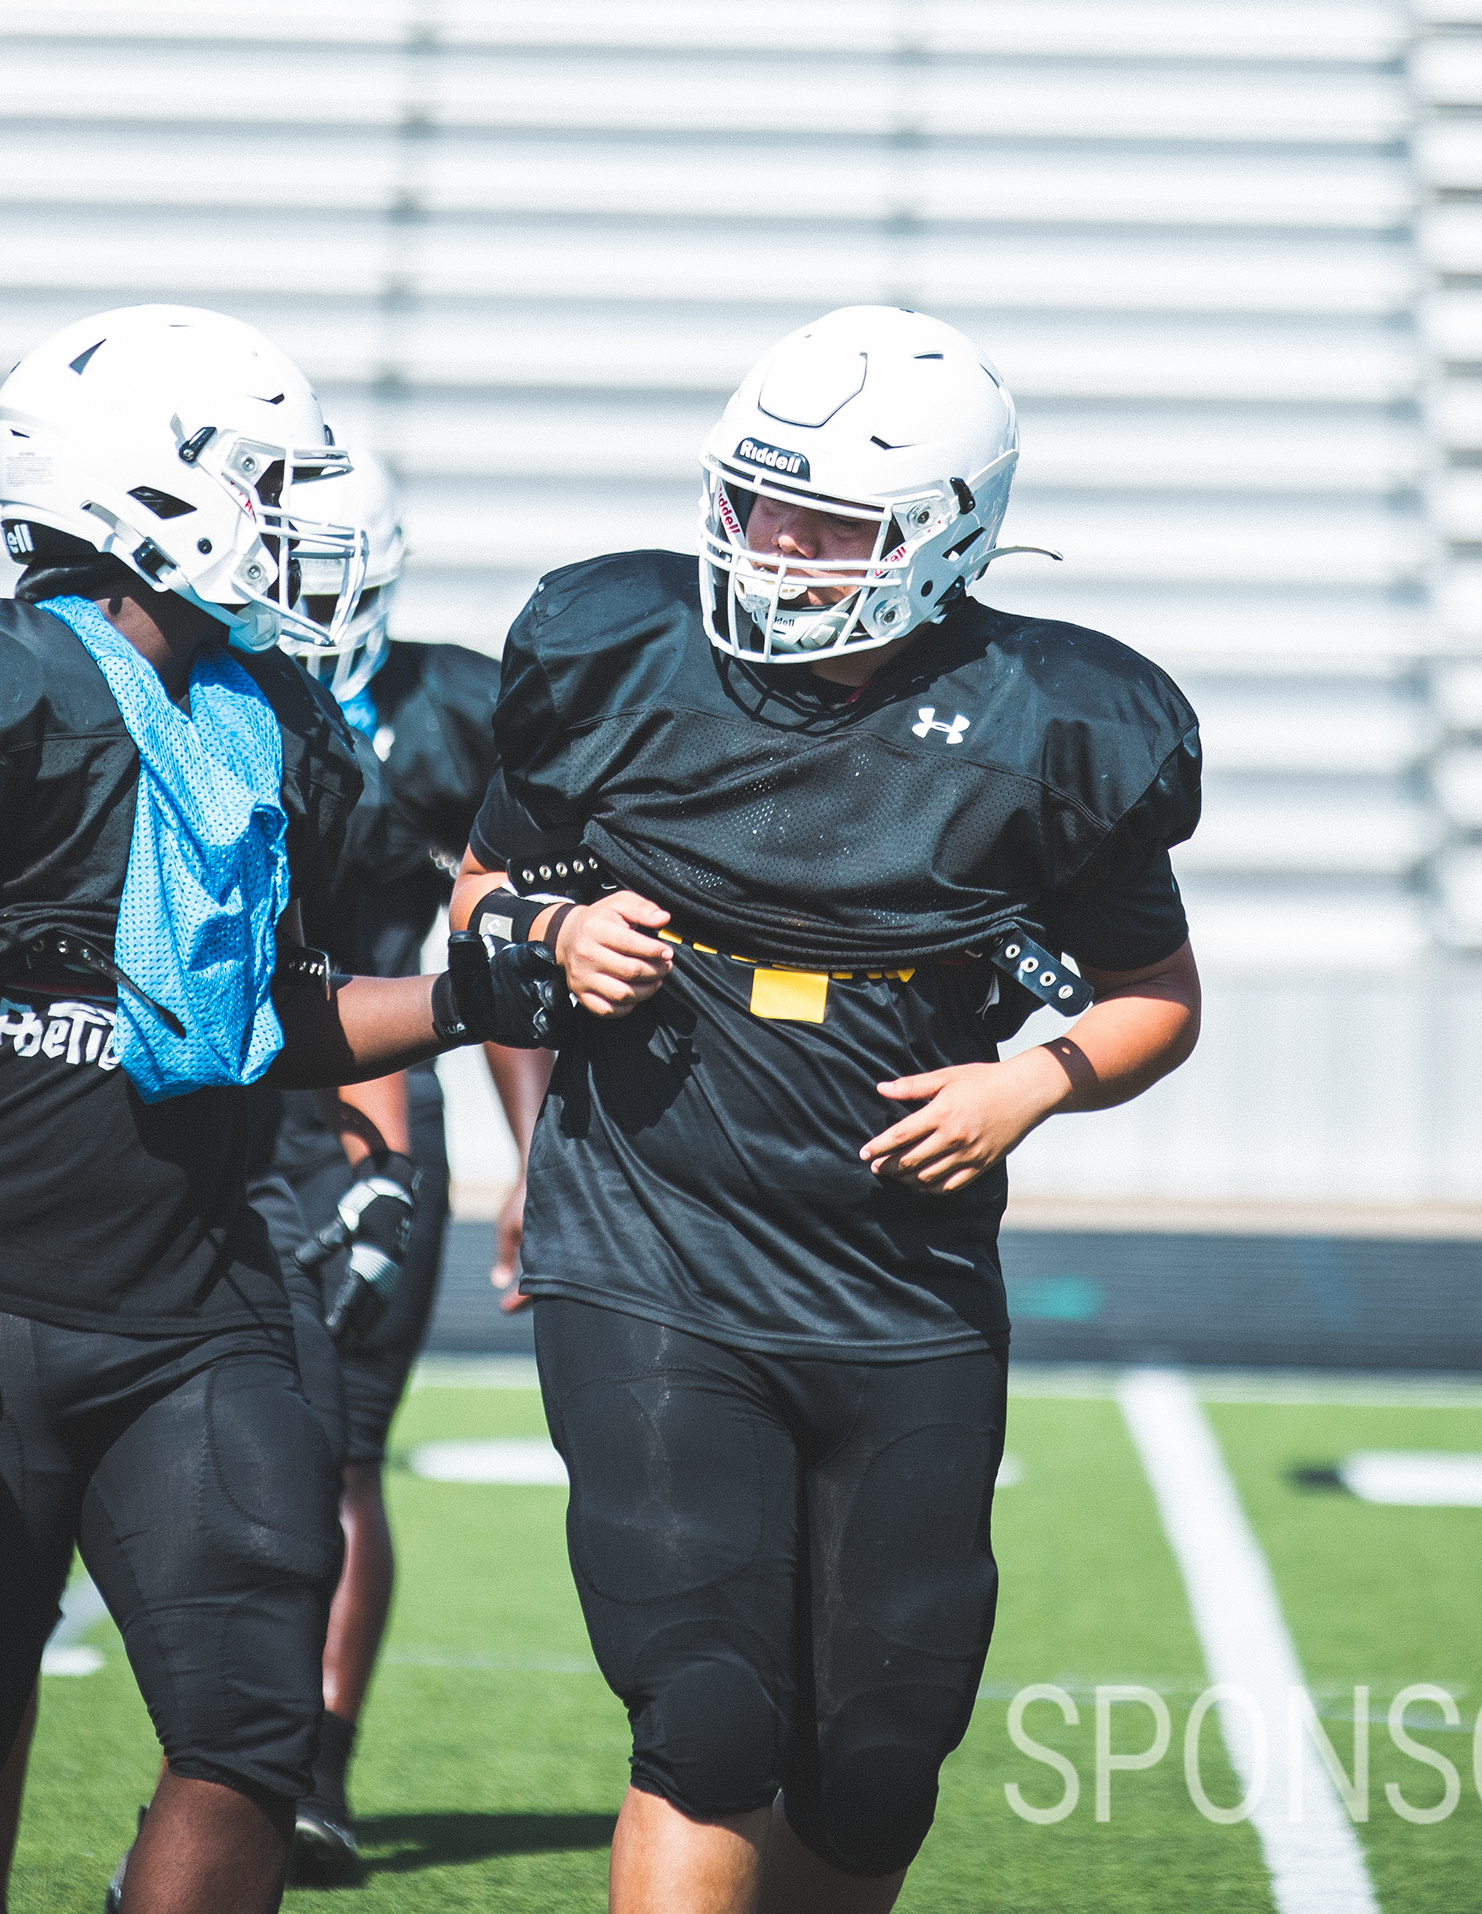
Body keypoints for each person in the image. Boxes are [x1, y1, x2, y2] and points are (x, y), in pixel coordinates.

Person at [453, 304, 1204, 1913]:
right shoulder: (615, 649)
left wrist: (1032, 1081)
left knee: (879, 1759)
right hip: (652, 1249)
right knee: (707, 1720)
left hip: (901, 1281)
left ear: (948, 535)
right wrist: (553, 933)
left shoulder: (1055, 719)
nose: (773, 548)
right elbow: (479, 894)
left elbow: (1157, 997)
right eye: (756, 503)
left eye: (826, 523)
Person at [0, 306, 541, 1914]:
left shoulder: (269, 716)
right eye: (263, 482)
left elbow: (272, 1018)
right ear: (144, 485)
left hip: (196, 1301)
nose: (288, 520)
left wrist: (474, 996)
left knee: (255, 1733)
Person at [267, 451, 525, 1883]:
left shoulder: (448, 713)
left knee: (345, 1451)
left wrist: (536, 1160)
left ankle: (311, 1774)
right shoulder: (171, 685)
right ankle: (226, 1759)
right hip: (196, 1098)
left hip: (368, 1102)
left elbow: (501, 962)